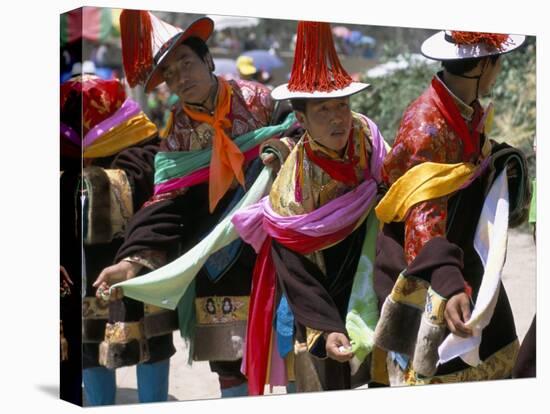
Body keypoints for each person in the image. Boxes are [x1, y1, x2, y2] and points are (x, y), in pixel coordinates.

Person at [93, 10, 280, 398]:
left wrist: (278, 150)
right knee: (230, 361)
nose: (182, 78)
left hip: (269, 244)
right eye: (172, 75)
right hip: (216, 254)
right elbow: (166, 200)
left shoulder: (259, 100)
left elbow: (291, 136)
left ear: (208, 61)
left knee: (285, 343)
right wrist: (131, 260)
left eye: (187, 64)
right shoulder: (178, 129)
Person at [232, 21, 388, 394]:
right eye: (323, 110)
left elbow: (392, 189)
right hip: (321, 290)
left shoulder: (367, 136)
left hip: (371, 277)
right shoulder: (291, 189)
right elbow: (295, 266)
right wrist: (326, 324)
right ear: (300, 120)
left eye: (343, 105)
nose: (338, 117)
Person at [372, 30, 531, 385]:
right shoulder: (426, 124)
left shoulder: (463, 109)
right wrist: (449, 283)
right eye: (498, 63)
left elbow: (463, 174)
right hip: (432, 268)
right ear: (484, 66)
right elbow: (422, 215)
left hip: (463, 261)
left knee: (499, 360)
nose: (499, 71)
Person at [60, 74, 174, 405]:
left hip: (138, 267)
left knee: (151, 343)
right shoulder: (69, 152)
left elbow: (133, 181)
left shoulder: (142, 146)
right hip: (85, 275)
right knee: (90, 345)